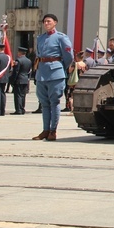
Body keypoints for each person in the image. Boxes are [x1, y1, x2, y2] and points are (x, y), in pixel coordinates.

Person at [33, 13, 74, 141]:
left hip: (55, 73)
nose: (46, 23)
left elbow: (69, 56)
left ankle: (53, 130)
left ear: (55, 22)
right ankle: (45, 130)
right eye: (44, 21)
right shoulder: (40, 38)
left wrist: (60, 67)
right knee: (44, 103)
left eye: (49, 21)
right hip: (42, 73)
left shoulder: (61, 37)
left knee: (54, 102)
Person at [10, 46, 32, 114]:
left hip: (19, 80)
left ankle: (18, 110)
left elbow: (16, 72)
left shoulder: (18, 60)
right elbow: (29, 71)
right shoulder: (29, 61)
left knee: (18, 96)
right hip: (25, 79)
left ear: (20, 52)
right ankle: (22, 109)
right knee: (23, 95)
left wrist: (12, 81)